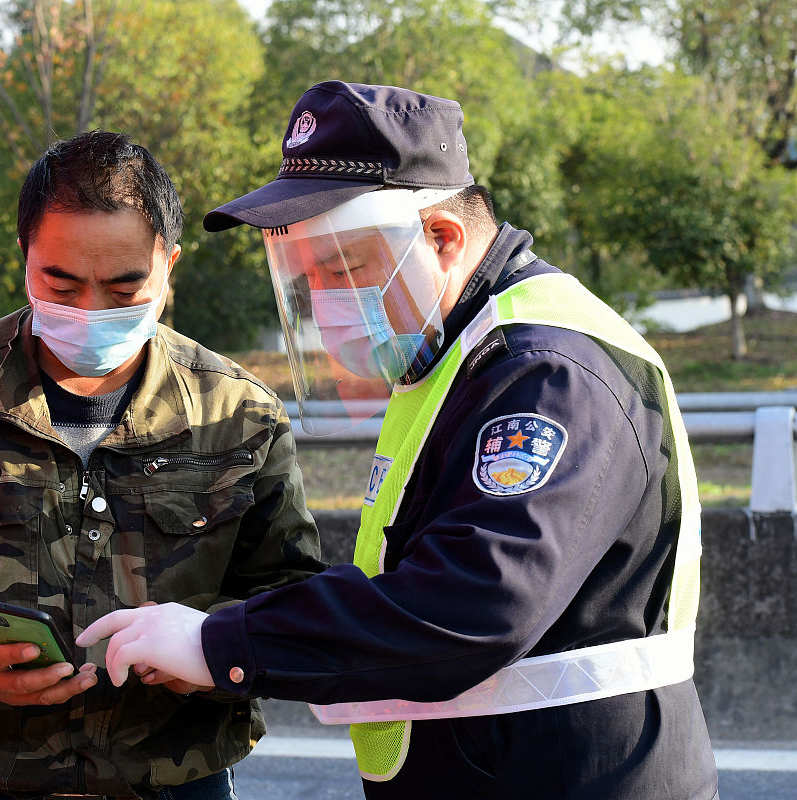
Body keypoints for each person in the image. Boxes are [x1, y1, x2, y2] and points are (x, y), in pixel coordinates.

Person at [77, 82, 720, 799]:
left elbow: (474, 602)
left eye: (345, 269)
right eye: (310, 279)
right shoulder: (458, 353)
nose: (326, 307)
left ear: (442, 238)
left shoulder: (544, 371)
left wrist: (220, 644)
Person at [0, 129, 325, 800]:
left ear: (169, 266)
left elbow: (291, 592)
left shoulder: (239, 413)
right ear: (25, 259)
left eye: (124, 290)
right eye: (59, 285)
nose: (89, 312)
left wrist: (215, 647)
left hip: (177, 780)